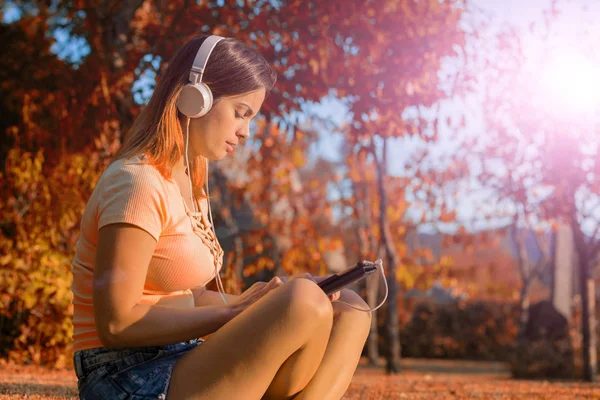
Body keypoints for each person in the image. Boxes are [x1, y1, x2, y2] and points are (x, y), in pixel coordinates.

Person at [70, 34, 371, 400]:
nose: (246, 131)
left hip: (180, 357)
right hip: (125, 375)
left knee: (351, 309)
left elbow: (190, 298)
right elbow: (116, 324)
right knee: (302, 301)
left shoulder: (189, 186)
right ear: (195, 99)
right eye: (241, 113)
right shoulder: (136, 182)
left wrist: (256, 302)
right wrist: (238, 312)